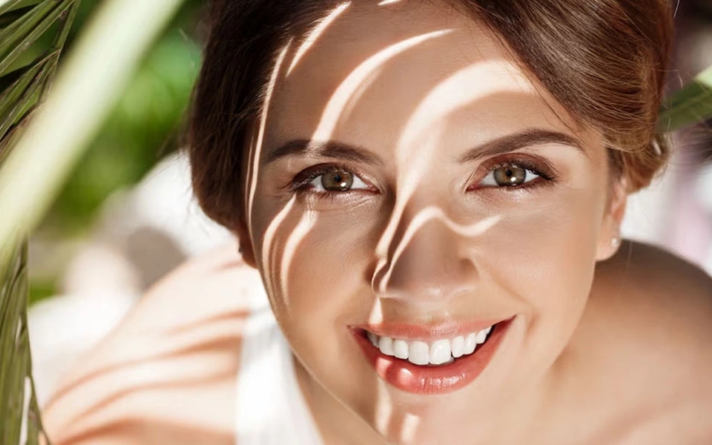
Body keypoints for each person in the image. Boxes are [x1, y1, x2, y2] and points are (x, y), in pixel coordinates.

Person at [43, 1, 712, 443]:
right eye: (334, 181)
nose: (423, 285)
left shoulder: (690, 381)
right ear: (239, 209)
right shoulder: (133, 425)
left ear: (615, 195)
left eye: (510, 174)